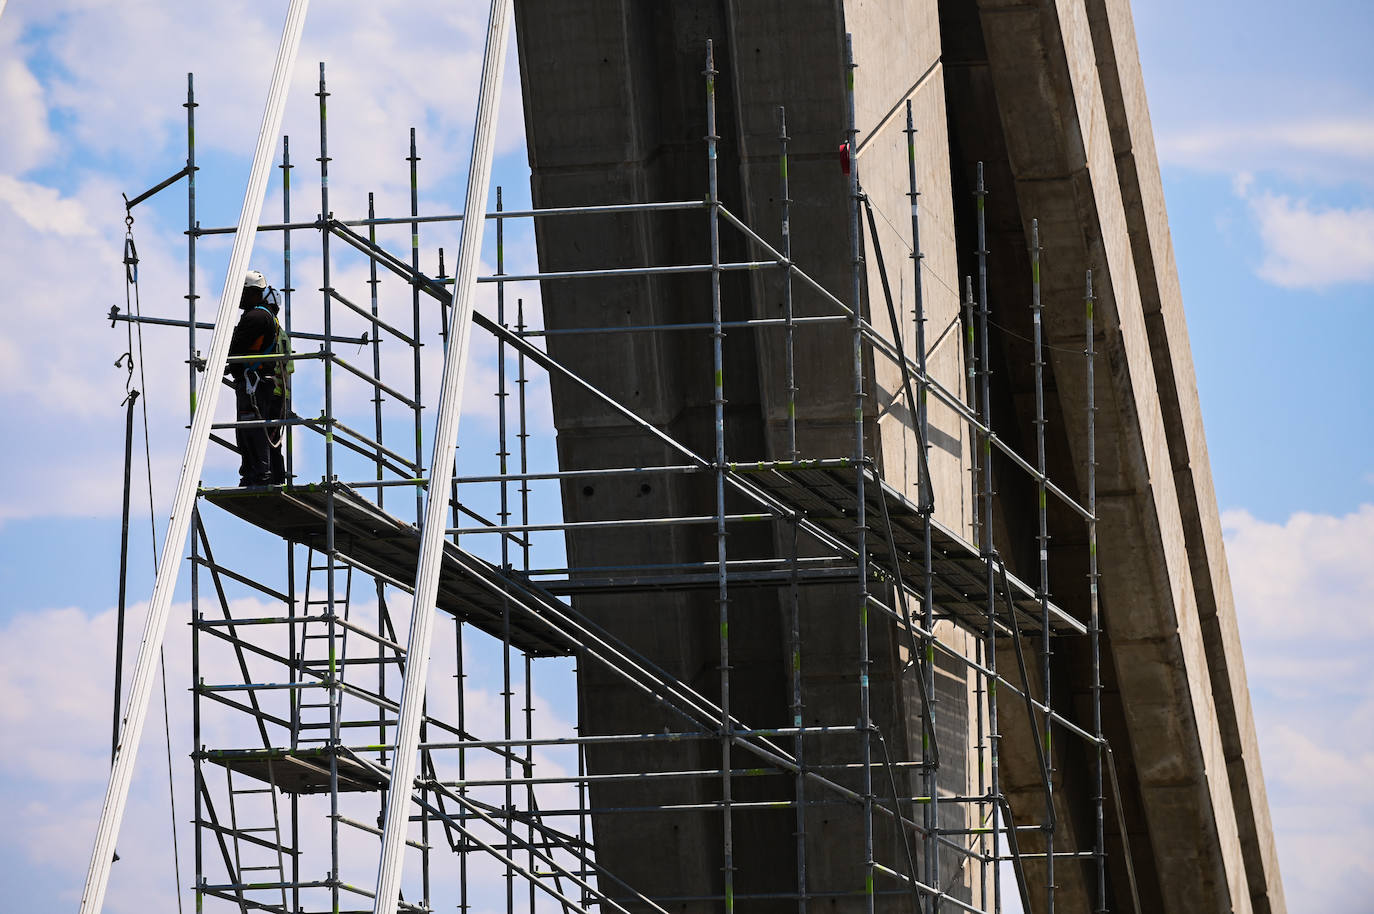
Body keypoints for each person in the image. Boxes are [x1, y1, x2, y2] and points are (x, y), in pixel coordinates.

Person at [228, 270, 290, 486]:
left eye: (242, 293)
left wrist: (226, 360)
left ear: (253, 293)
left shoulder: (256, 317)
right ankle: (262, 474)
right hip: (258, 380)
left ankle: (258, 474)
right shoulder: (264, 316)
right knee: (253, 429)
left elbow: (235, 348)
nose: (238, 298)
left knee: (251, 429)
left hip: (254, 382)